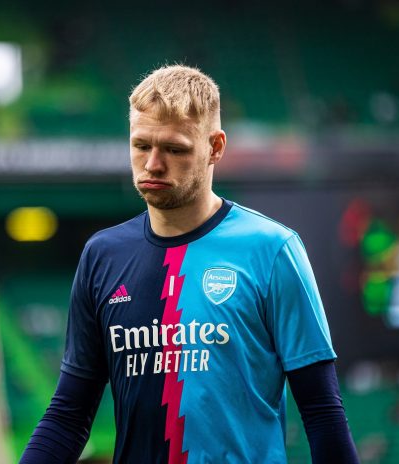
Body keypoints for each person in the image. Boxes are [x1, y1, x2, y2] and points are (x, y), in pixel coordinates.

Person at [20, 65, 359, 464]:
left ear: (215, 147)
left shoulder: (273, 249)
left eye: (175, 149)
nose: (153, 164)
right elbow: (69, 415)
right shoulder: (102, 255)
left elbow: (321, 413)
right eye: (141, 145)